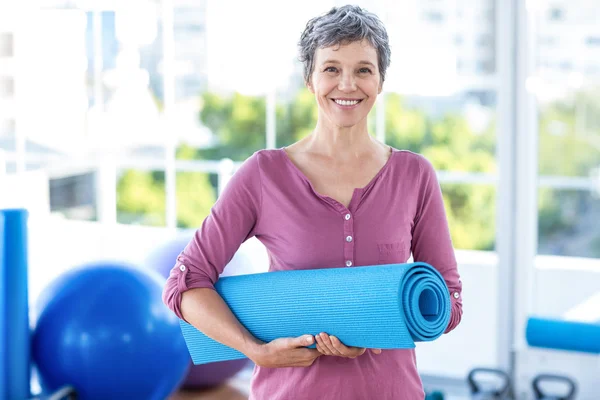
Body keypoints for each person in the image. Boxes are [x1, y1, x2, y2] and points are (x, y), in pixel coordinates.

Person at [163, 5, 462, 400]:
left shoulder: (414, 175)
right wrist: (256, 351)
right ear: (310, 79)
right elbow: (185, 284)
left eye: (363, 70)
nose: (347, 84)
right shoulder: (264, 175)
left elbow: (449, 301)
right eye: (332, 68)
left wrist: (377, 331)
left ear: (380, 80)